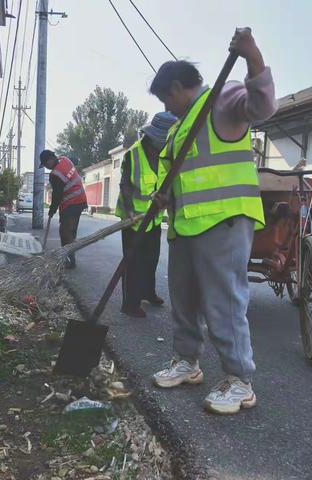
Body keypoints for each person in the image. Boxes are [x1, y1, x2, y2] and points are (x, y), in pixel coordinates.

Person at [149, 28, 277, 414]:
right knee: (184, 300)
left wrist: (253, 56)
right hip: (186, 225)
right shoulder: (179, 127)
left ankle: (240, 381)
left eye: (165, 99)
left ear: (175, 87)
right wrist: (162, 196)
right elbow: (178, 175)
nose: (167, 107)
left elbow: (262, 107)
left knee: (224, 303)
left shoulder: (222, 98)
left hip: (224, 221)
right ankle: (187, 363)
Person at [115, 112, 177, 318]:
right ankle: (130, 304)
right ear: (151, 137)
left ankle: (148, 293)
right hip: (132, 219)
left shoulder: (167, 155)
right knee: (133, 261)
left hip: (154, 218)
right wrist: (131, 211)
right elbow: (125, 185)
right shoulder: (132, 154)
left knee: (151, 258)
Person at [40, 150, 88, 268]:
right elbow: (75, 162)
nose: (46, 167)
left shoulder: (56, 174)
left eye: (46, 164)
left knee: (65, 233)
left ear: (51, 159)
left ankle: (69, 261)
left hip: (72, 203)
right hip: (80, 200)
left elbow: (57, 195)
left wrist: (52, 210)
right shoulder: (65, 159)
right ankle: (69, 259)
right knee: (70, 232)